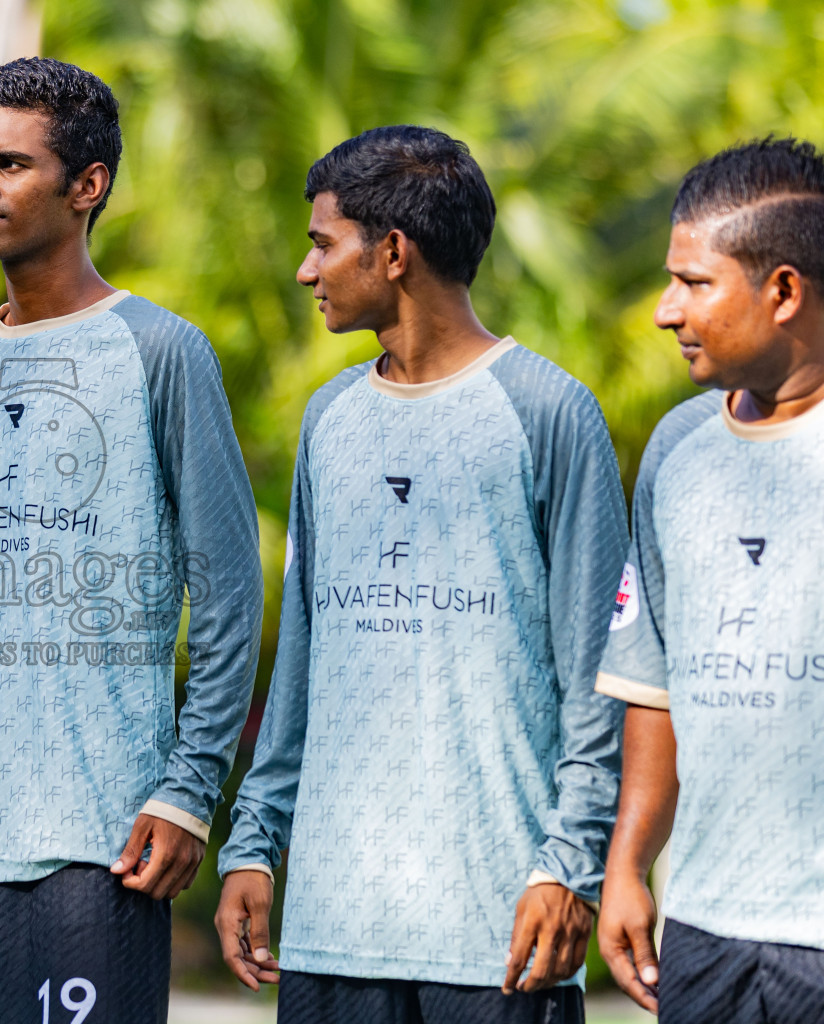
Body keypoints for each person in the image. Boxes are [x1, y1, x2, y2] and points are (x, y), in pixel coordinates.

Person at [215, 126, 627, 1024]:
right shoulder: (329, 419)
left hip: (497, 936)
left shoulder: (548, 411)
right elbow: (305, 665)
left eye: (324, 244)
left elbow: (598, 678)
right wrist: (252, 843)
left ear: (393, 252)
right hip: (333, 932)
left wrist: (570, 865)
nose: (305, 269)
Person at [0, 57, 263, 1023]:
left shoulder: (161, 350)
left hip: (98, 838)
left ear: (86, 185)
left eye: (10, 165)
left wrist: (189, 794)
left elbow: (225, 590)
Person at [596, 138, 824, 1024]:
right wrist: (627, 865)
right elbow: (654, 683)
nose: (664, 311)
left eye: (694, 283)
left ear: (784, 291)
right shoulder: (677, 450)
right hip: (704, 930)